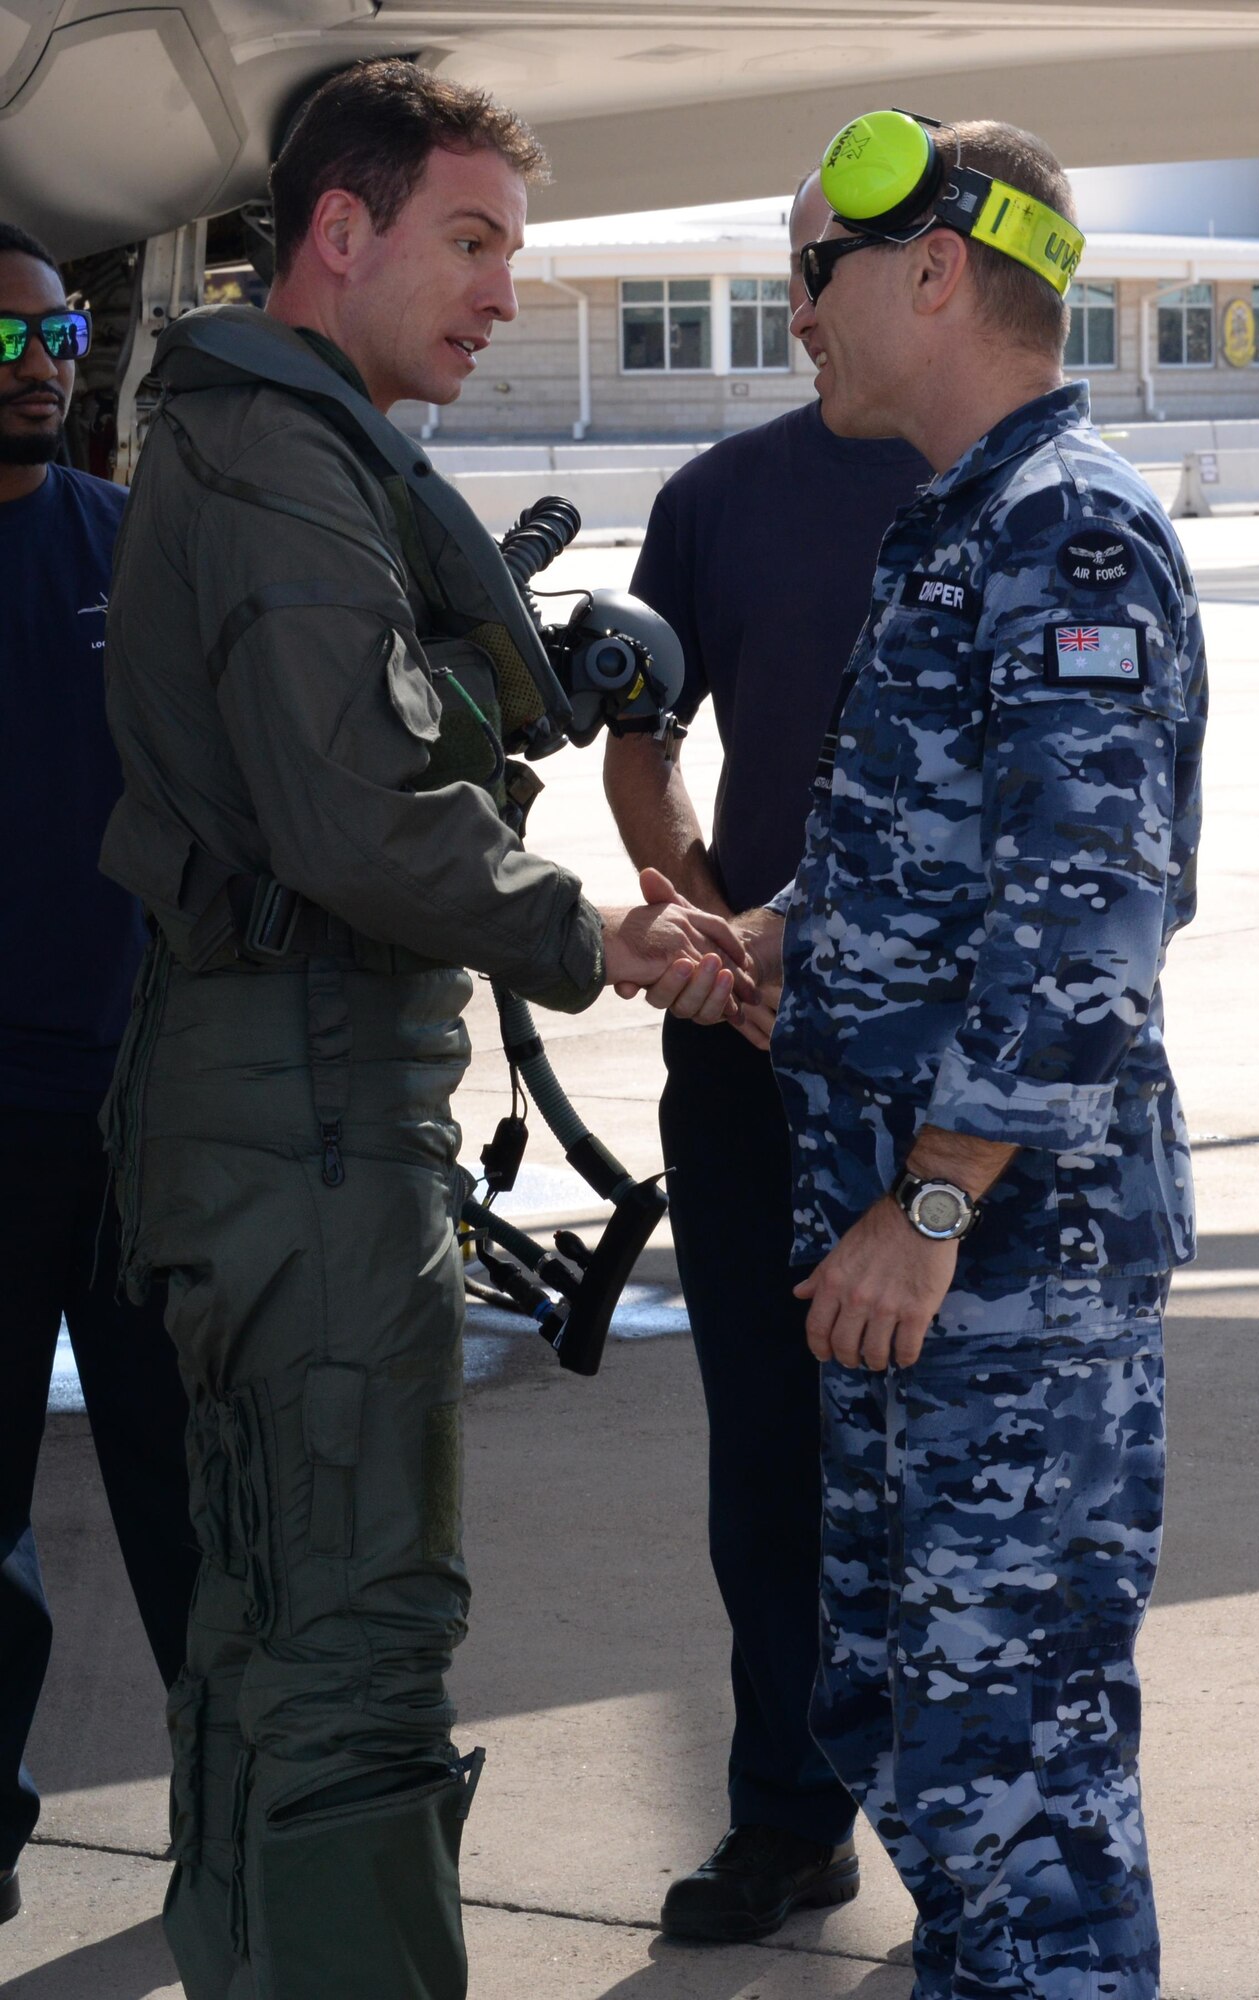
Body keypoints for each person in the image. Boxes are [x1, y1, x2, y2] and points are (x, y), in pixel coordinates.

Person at [98, 59, 752, 2000]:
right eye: (468, 242)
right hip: (301, 1129)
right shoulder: (288, 469)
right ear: (339, 233)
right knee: (356, 1638)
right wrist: (599, 936)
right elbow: (351, 817)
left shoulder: (262, 445)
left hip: (259, 1110)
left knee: (263, 1619)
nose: (498, 290)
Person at [664, 110, 1204, 2000]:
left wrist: (933, 1198)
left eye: (814, 269)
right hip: (918, 1277)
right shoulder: (963, 527)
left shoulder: (1070, 536)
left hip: (1001, 1281)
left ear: (932, 270)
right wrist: (769, 942)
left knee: (1021, 1782)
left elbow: (1087, 930)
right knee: (918, 1731)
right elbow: (936, 854)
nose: (795, 310)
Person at [604, 174, 928, 1942]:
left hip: (944, 1080)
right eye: (794, 266)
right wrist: (717, 944)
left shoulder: (1010, 505)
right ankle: (788, 1811)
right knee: (773, 1460)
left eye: (827, 265)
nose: (804, 298)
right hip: (747, 1055)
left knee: (966, 1470)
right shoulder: (716, 497)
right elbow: (643, 754)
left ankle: (987, 1852)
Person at [0, 225, 198, 1928]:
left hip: (135, 1121)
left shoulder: (125, 548)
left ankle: (233, 1831)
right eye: (8, 334)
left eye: (56, 327)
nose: (38, 359)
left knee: (187, 1501)